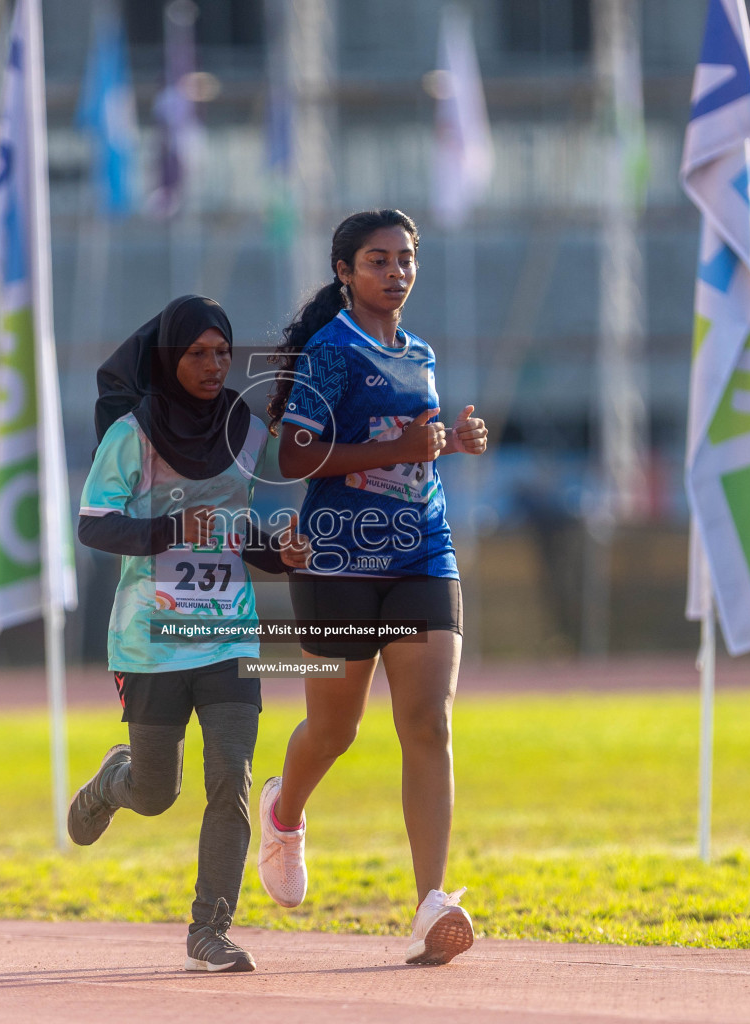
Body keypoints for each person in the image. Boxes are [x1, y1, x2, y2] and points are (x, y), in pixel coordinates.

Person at [255, 209, 489, 966]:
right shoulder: (329, 351)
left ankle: (431, 904)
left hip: (423, 549)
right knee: (336, 731)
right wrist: (399, 444)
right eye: (378, 261)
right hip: (338, 562)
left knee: (429, 723)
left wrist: (451, 443)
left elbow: (414, 452)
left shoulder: (418, 351)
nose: (395, 273)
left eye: (405, 260)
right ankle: (284, 815)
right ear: (345, 273)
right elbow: (292, 459)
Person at [67, 295, 310, 973]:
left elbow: (235, 527)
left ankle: (211, 930)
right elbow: (93, 523)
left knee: (231, 777)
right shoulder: (133, 433)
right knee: (156, 793)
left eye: (223, 353)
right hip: (150, 640)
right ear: (170, 359)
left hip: (229, 636)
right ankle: (112, 782)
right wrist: (172, 529)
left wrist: (277, 551)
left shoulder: (243, 427)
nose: (213, 365)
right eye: (197, 354)